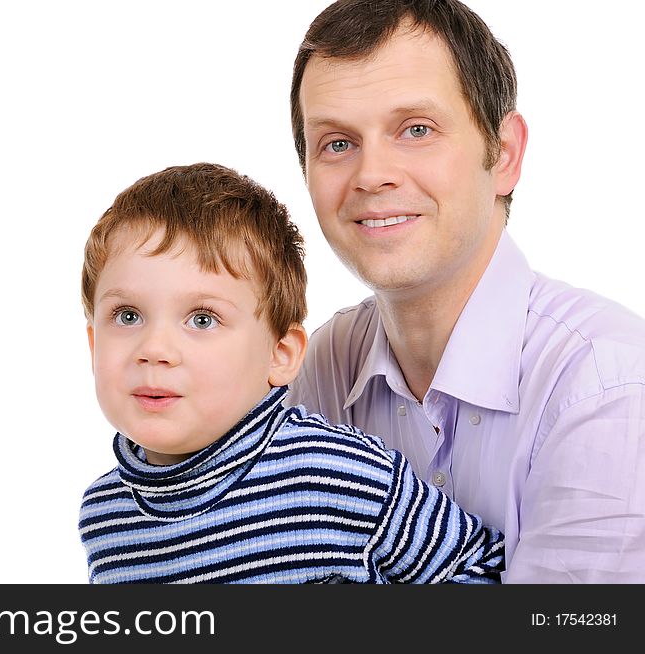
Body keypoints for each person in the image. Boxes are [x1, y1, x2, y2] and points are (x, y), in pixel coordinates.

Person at [286, 0, 645, 582]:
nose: (371, 174)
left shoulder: (608, 384)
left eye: (417, 130)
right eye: (336, 143)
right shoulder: (321, 366)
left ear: (503, 154)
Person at [77, 162, 503, 584]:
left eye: (202, 319)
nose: (154, 350)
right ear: (95, 344)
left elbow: (485, 568)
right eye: (128, 315)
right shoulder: (103, 514)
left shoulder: (334, 474)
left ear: (280, 354)